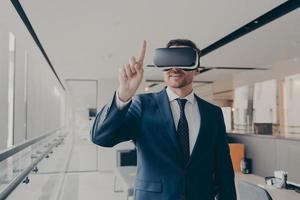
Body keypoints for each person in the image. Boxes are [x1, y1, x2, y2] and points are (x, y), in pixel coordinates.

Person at [91, 39, 237, 200]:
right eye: (169, 60)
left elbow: (224, 170)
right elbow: (101, 138)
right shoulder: (142, 105)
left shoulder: (213, 113)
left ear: (197, 69)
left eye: (183, 60)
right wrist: (123, 94)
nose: (175, 68)